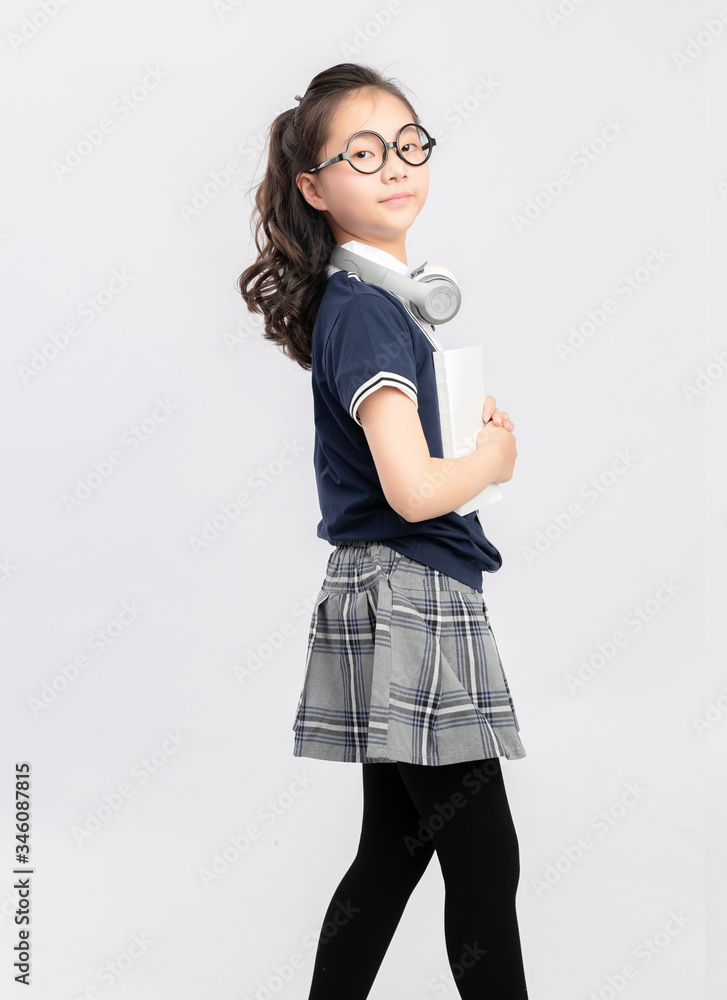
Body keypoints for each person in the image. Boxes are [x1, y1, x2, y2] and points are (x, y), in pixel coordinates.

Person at [238, 62, 529, 1000]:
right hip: (411, 594)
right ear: (314, 188)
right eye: (363, 154)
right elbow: (411, 491)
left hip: (388, 592)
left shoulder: (368, 304)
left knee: (393, 853)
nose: (396, 166)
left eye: (409, 145)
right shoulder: (365, 315)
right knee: (484, 865)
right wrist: (489, 462)